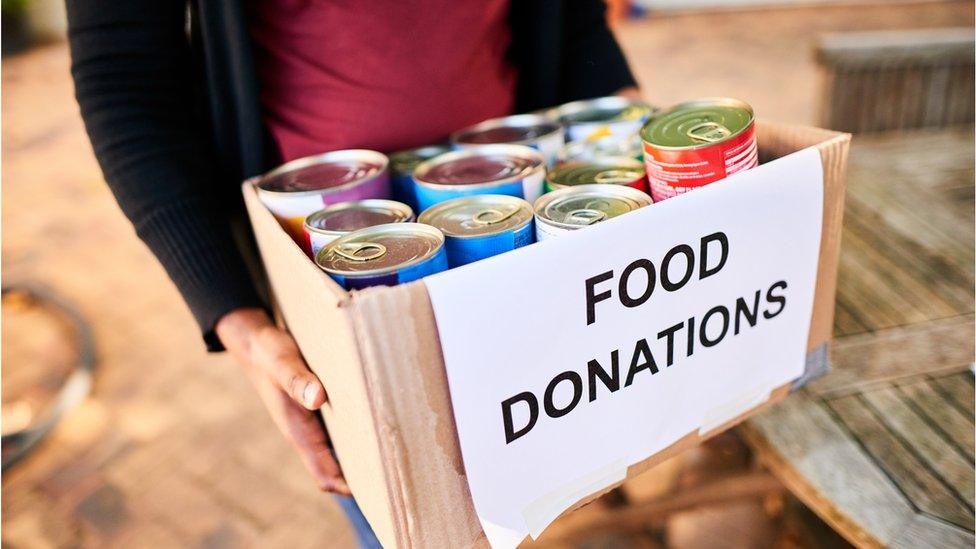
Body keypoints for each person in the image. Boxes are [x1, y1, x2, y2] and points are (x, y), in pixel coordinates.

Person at [66, 1, 639, 546]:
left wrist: (629, 132)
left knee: (560, 417)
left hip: (522, 203)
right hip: (323, 260)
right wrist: (239, 322)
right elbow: (124, 76)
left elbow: (575, 17)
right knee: (414, 509)